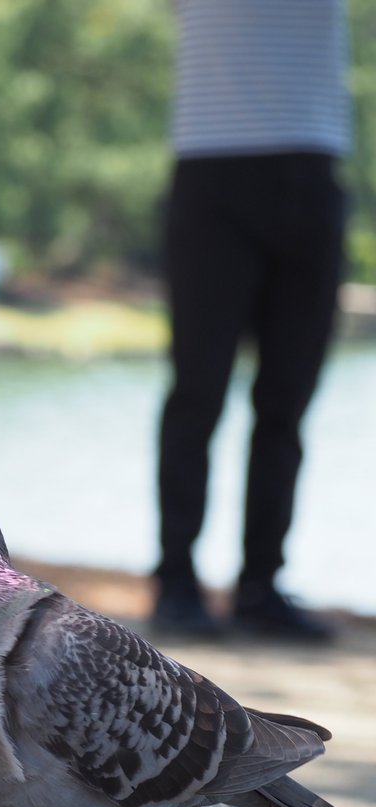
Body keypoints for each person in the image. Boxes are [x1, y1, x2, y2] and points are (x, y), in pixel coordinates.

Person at [151, 0, 351, 641]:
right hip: (211, 173)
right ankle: (177, 580)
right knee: (196, 392)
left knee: (287, 398)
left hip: (310, 171)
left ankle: (261, 586)